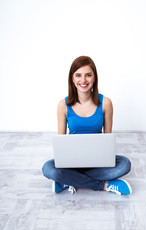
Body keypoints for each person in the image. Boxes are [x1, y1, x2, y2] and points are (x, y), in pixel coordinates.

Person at [42, 56, 132, 195]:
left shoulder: (105, 103)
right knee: (47, 168)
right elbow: (61, 143)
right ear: (72, 79)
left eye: (88, 75)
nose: (83, 80)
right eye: (78, 75)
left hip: (97, 163)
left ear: (94, 78)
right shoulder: (63, 105)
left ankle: (68, 181)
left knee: (125, 164)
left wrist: (103, 158)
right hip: (71, 164)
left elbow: (107, 140)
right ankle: (104, 185)